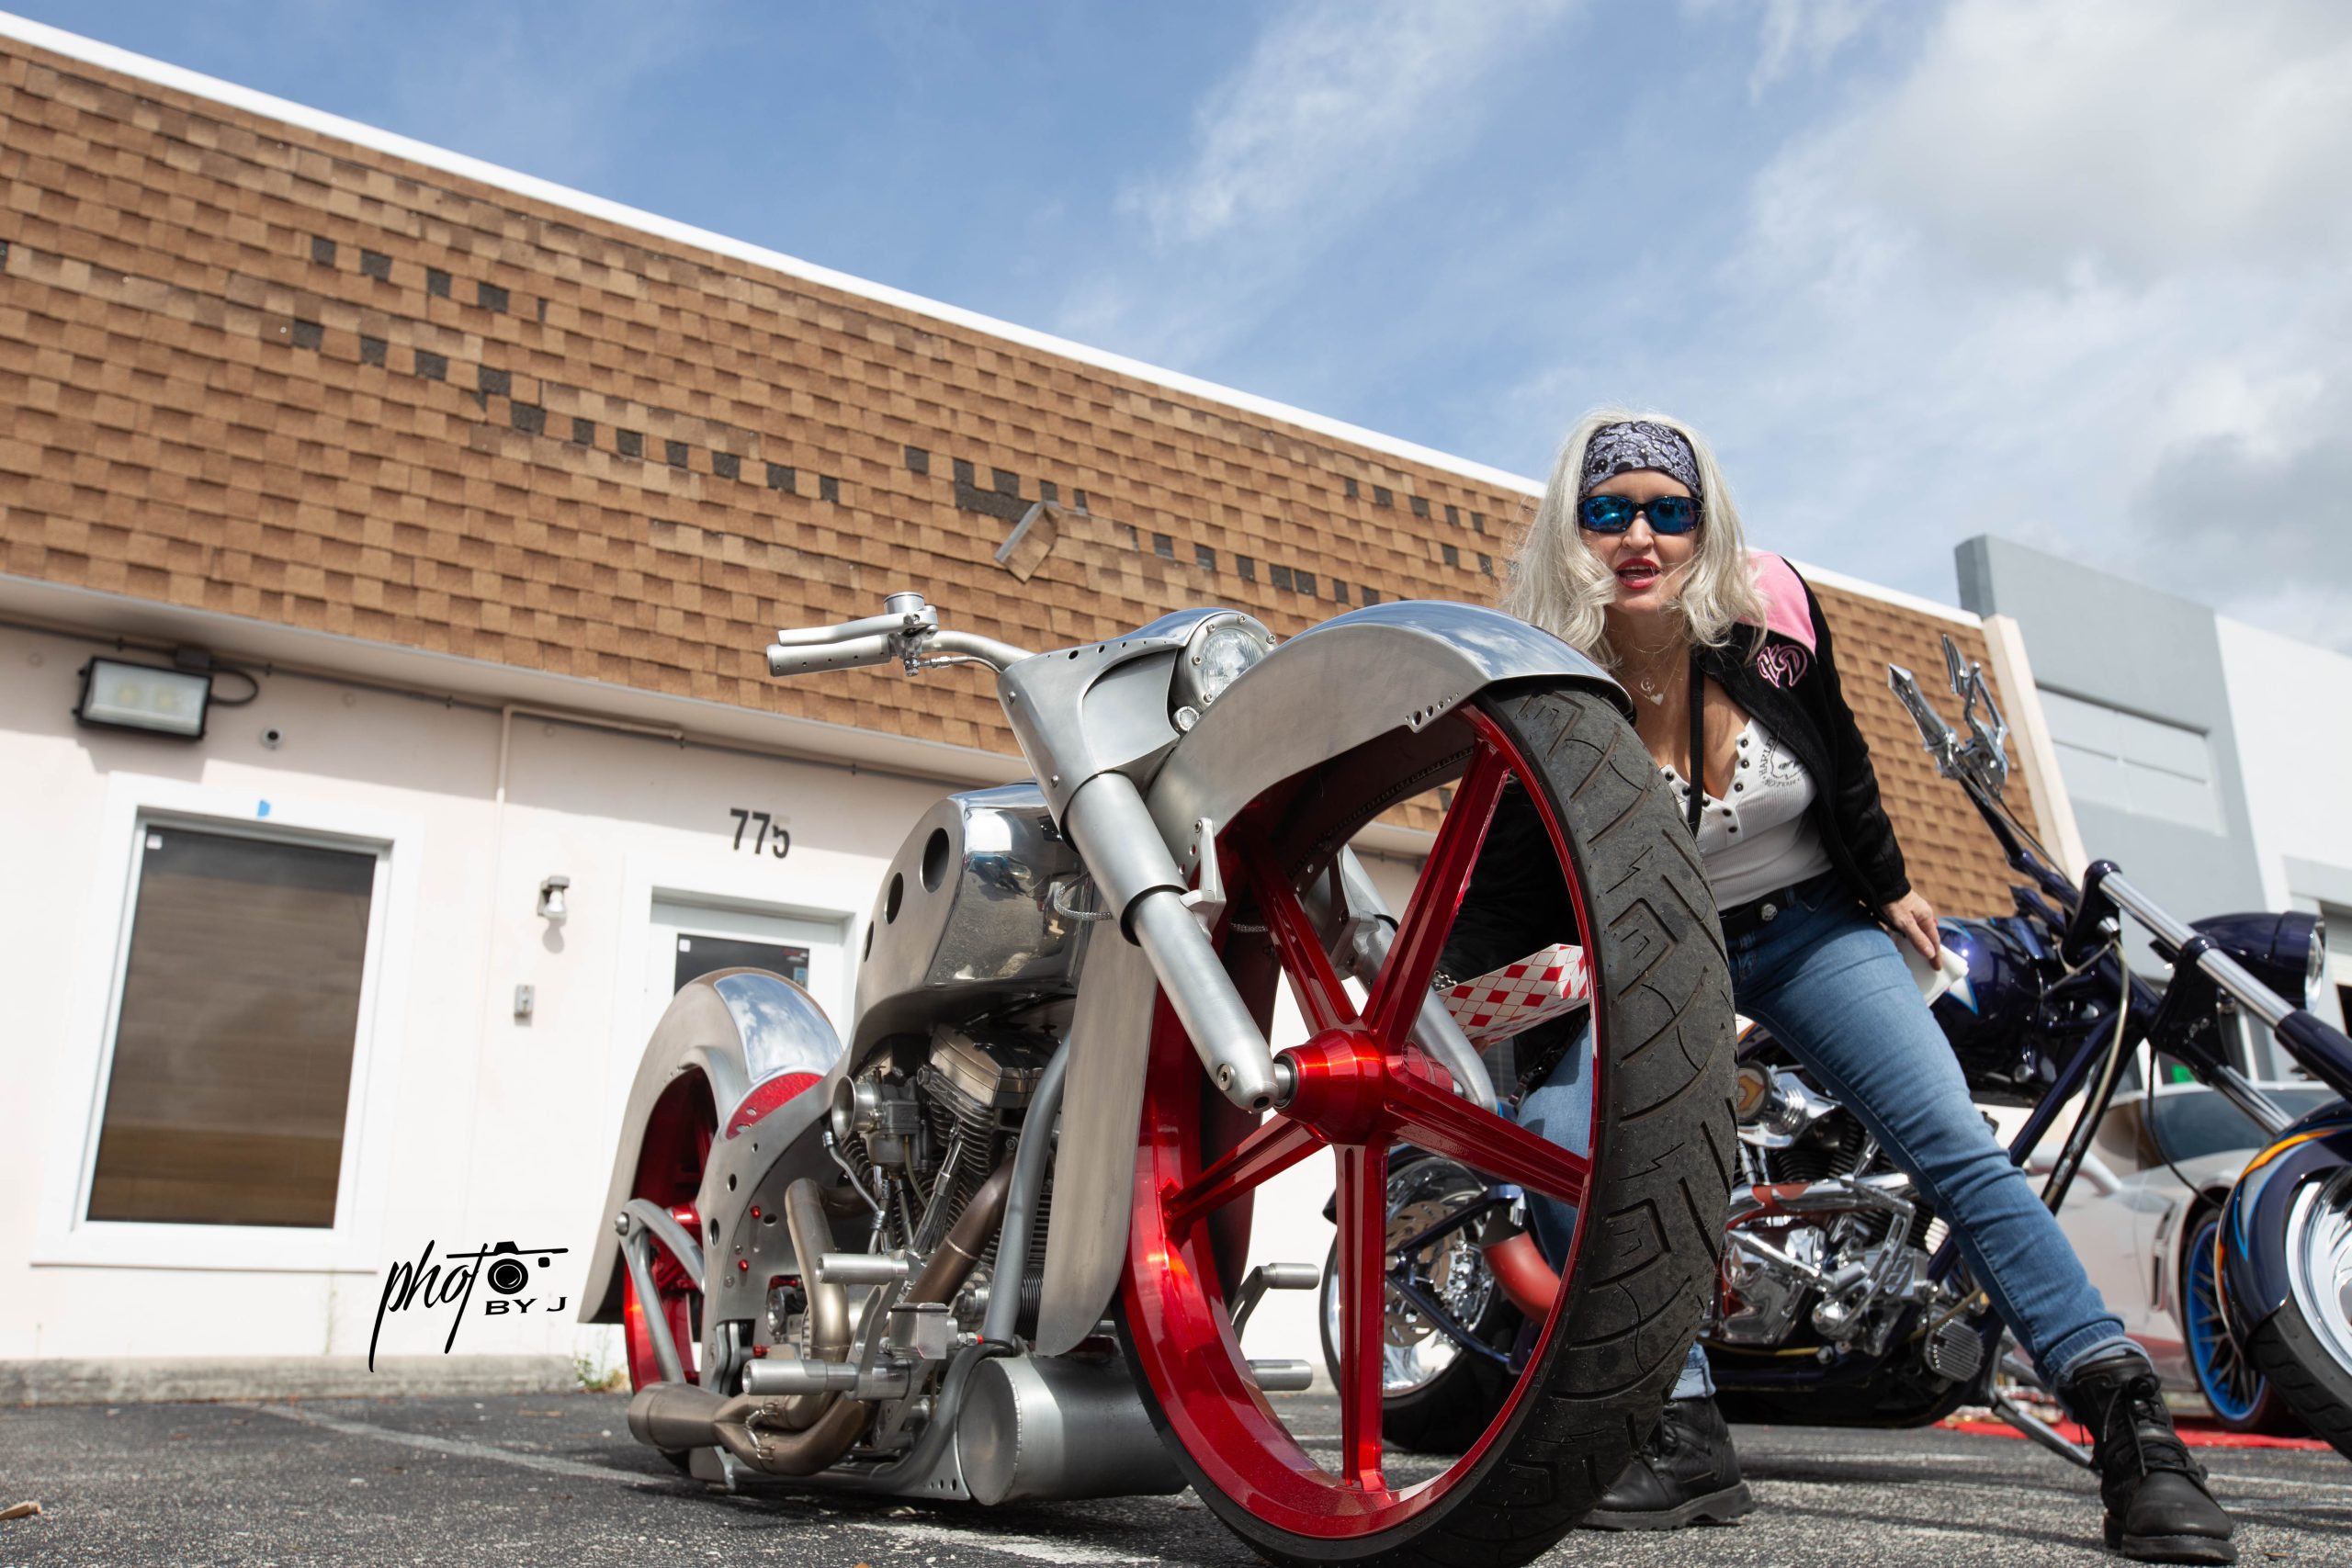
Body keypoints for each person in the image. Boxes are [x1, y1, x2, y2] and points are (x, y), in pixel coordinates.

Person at [1445, 411, 2237, 1565]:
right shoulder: (1541, 679)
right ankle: (1678, 1427)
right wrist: (1466, 1022)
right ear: (1570, 528)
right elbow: (1506, 879)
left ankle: (2131, 1430)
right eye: (1606, 510)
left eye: (1670, 512)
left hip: (1805, 921)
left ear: (1704, 526)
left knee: (1953, 1146)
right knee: (1567, 1144)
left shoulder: (1767, 611)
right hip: (1649, 956)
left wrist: (1890, 882)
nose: (1640, 538)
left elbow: (1842, 759)